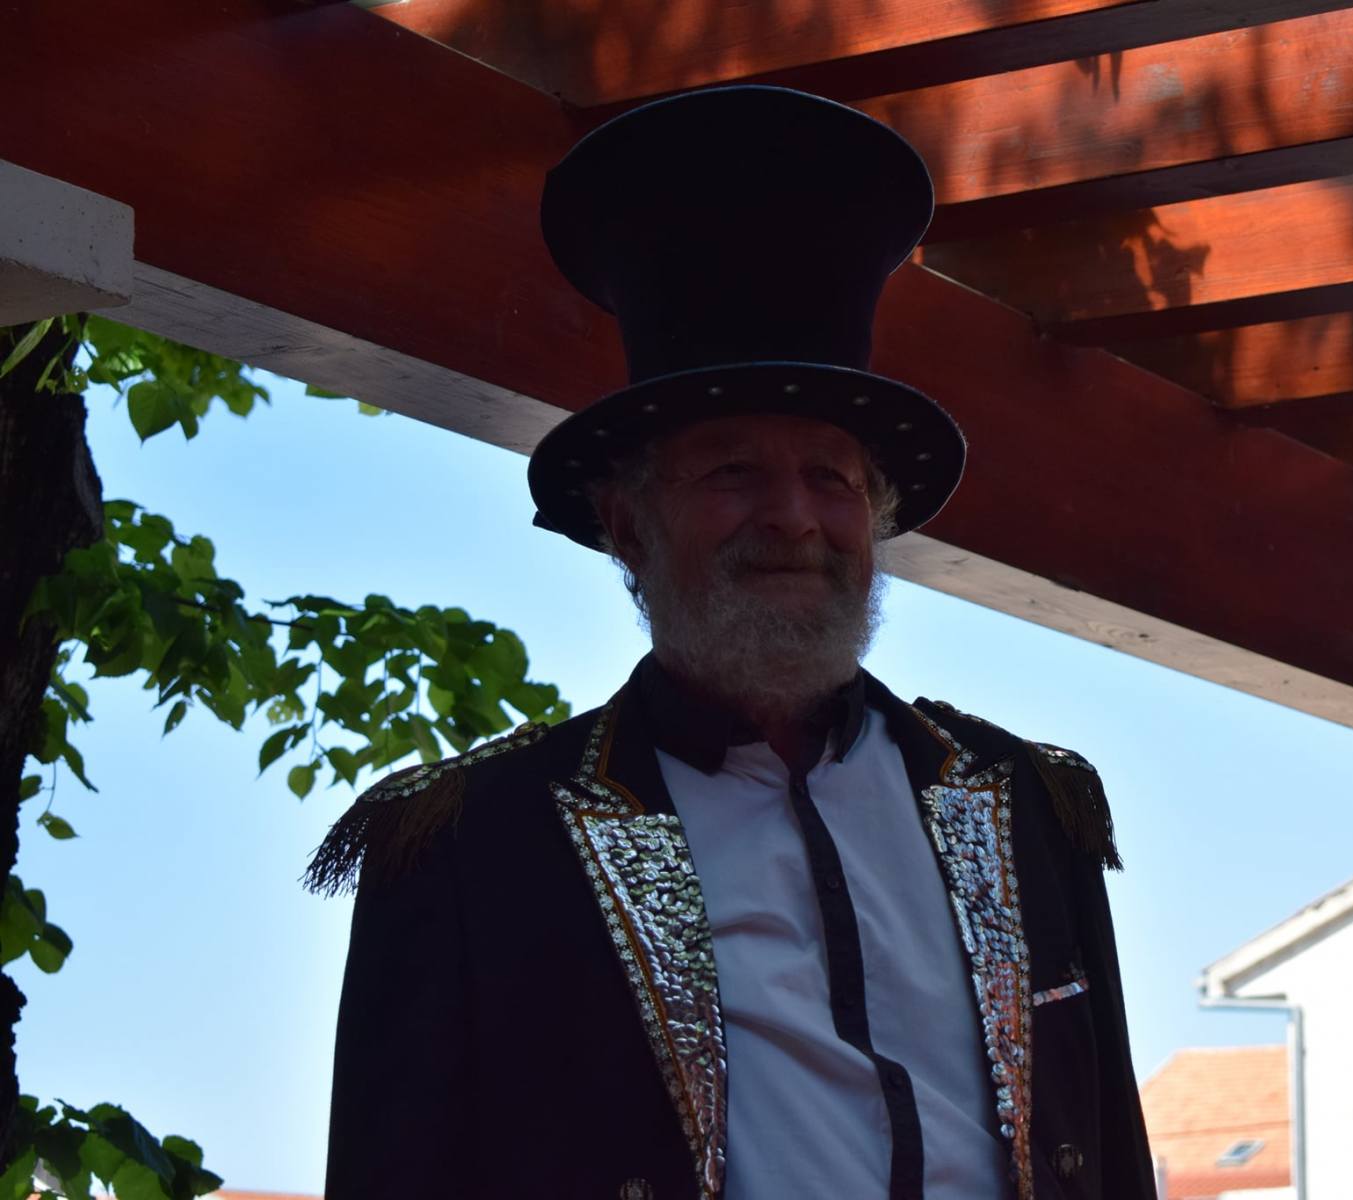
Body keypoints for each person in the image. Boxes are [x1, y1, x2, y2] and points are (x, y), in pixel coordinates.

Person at [308, 85, 1155, 1200]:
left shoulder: (1026, 804)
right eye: (733, 472)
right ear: (627, 524)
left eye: (831, 479)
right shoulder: (469, 844)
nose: (793, 519)